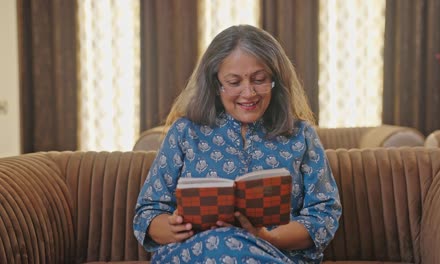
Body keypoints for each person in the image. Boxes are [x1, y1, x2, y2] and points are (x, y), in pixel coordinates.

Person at [133, 24, 341, 263]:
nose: (249, 92)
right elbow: (147, 213)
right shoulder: (185, 132)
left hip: (274, 255)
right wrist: (172, 228)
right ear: (216, 84)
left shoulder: (301, 135)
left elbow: (324, 214)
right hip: (193, 254)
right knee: (220, 245)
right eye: (234, 82)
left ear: (275, 80)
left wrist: (269, 238)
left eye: (260, 79)